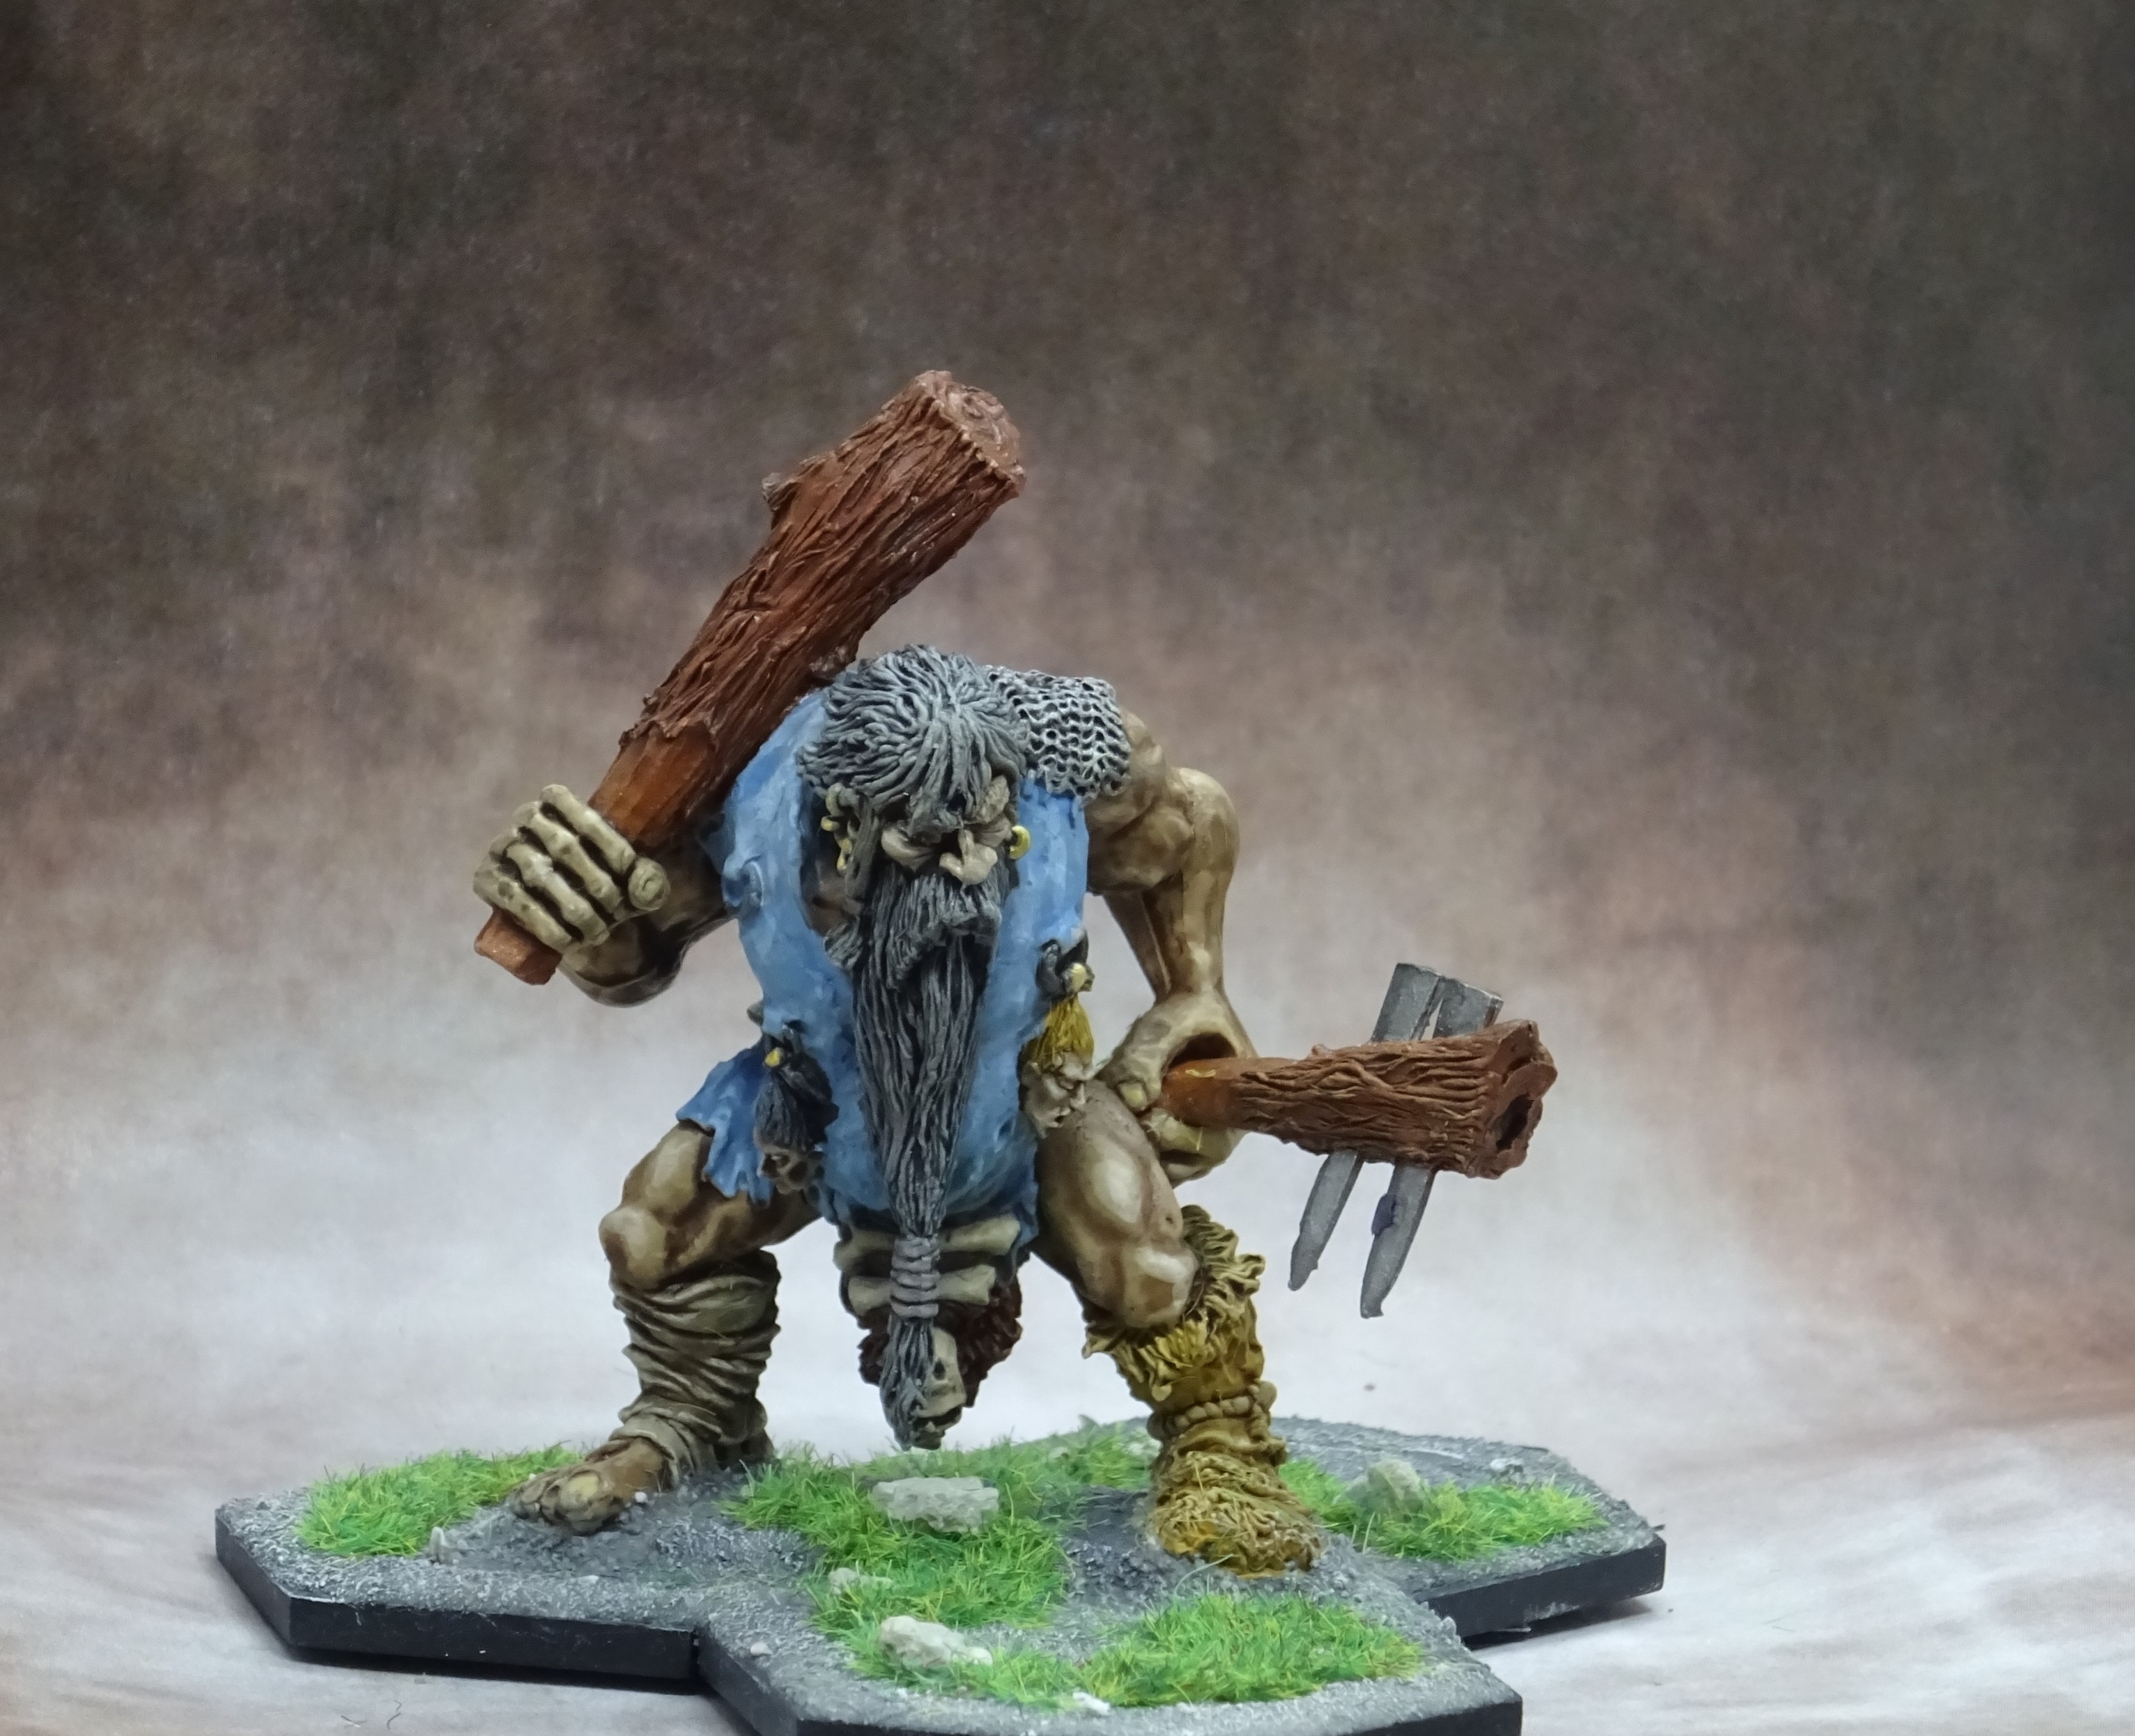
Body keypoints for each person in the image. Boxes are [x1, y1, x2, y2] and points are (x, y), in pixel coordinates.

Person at [472, 645, 1319, 1574]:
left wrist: (1195, 991)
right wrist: (576, 907)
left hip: (1026, 1107)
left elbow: (1191, 821)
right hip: (811, 1102)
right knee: (653, 1227)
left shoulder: (1069, 763)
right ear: (835, 809)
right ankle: (692, 1420)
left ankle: (1220, 1446)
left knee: (1145, 1266)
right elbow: (630, 958)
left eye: (973, 837)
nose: (947, 871)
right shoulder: (754, 787)